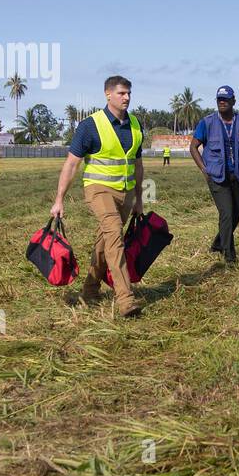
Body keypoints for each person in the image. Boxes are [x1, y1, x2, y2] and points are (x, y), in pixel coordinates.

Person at [50, 75, 145, 318]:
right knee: (114, 235)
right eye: (122, 93)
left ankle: (90, 291)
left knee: (105, 242)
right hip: (98, 189)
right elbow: (71, 165)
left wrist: (139, 199)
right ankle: (126, 299)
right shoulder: (90, 125)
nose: (127, 97)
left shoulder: (135, 124)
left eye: (128, 93)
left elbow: (137, 163)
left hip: (125, 193)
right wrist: (59, 200)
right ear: (108, 94)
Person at [190, 85, 239, 265]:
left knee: (236, 213)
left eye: (226, 99)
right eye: (219, 99)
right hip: (216, 176)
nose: (222, 102)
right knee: (226, 213)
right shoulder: (207, 122)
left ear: (233, 101)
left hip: (238, 175)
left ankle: (219, 243)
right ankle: (229, 256)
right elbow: (193, 147)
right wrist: (204, 170)